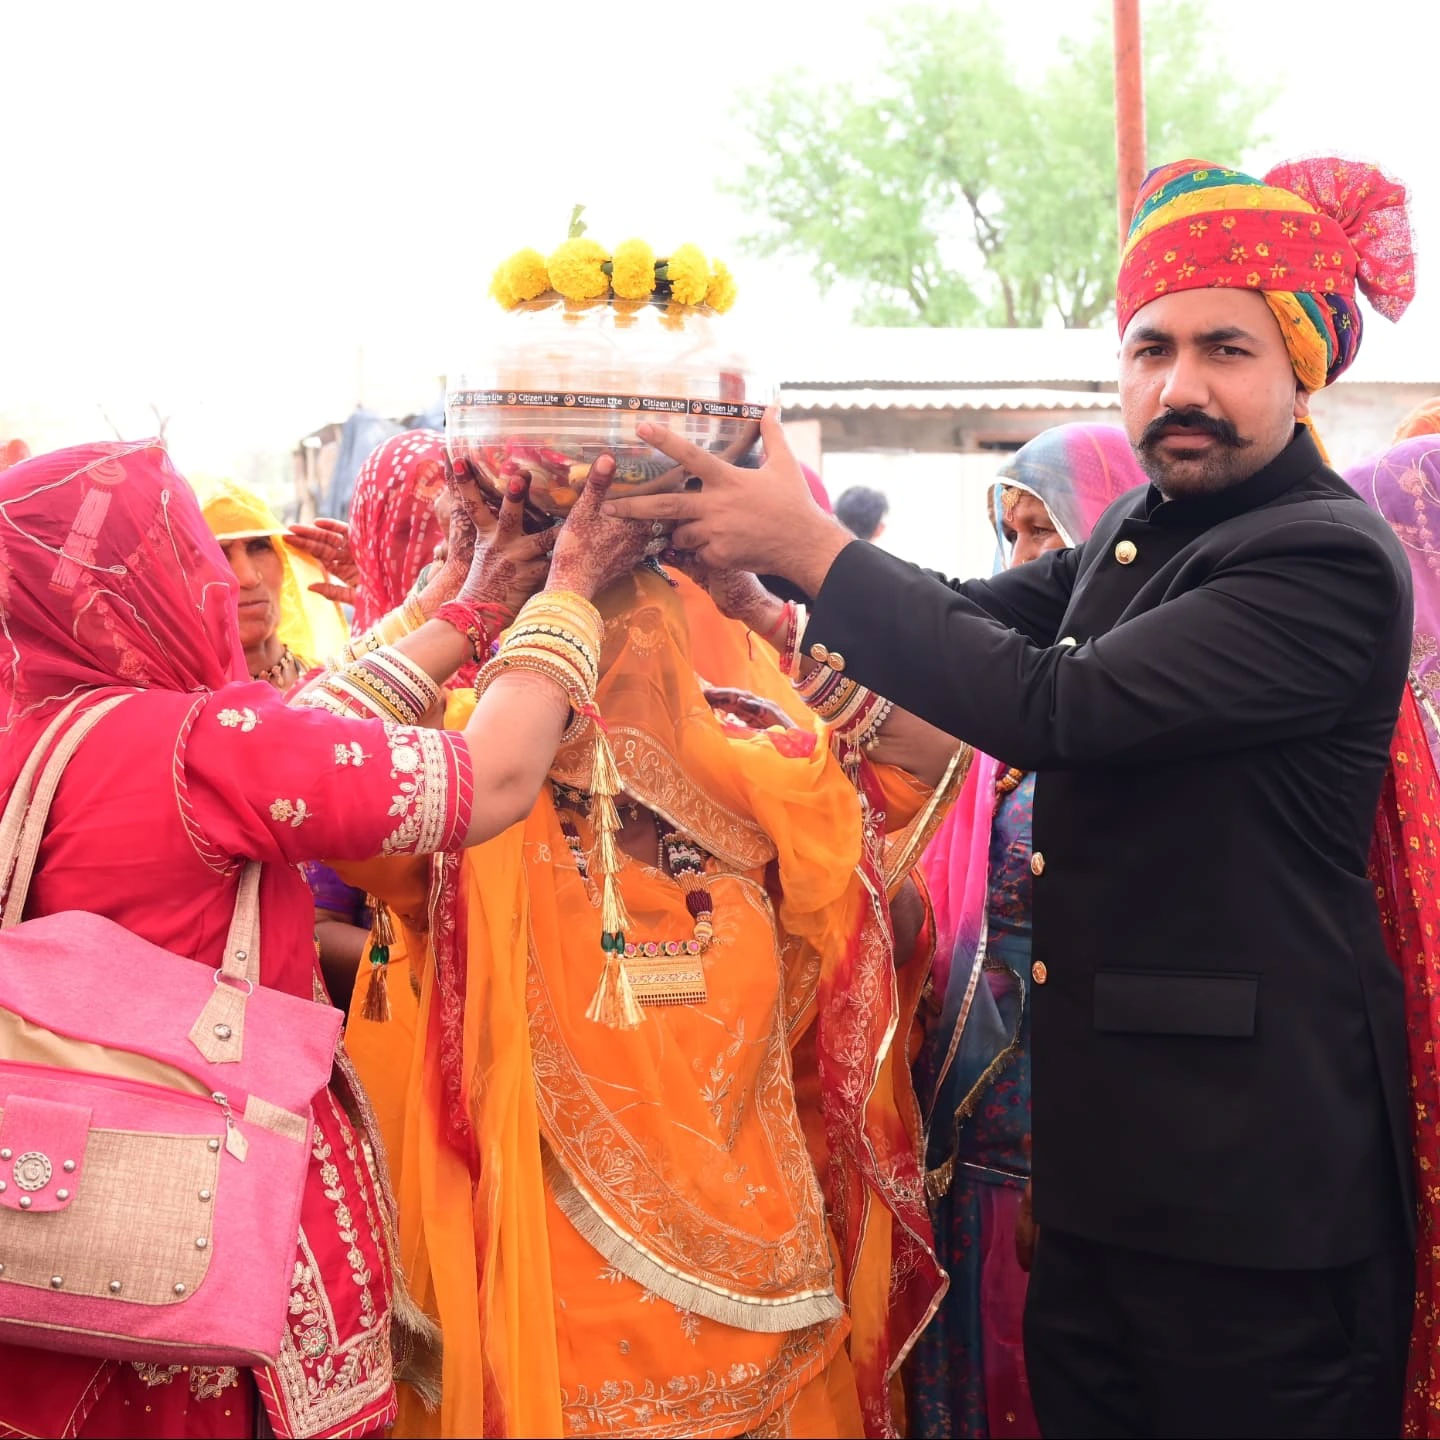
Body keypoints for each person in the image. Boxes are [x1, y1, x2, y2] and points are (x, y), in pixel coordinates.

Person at [608, 156, 1420, 1437]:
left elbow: (1053, 706)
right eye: (1151, 348)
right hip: (1111, 1183)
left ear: (1303, 369)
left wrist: (815, 548)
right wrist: (770, 592)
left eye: (1226, 349)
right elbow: (965, 620)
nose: (1181, 386)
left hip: (1258, 1199)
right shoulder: (1145, 533)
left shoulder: (1318, 557)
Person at [0, 437, 650, 1438]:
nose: (218, 582)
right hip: (201, 1258)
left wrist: (462, 615)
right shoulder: (197, 743)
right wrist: (569, 592)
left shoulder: (35, 733)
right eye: (195, 557)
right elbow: (496, 777)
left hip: (56, 1254)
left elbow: (300, 733)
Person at [337, 549, 966, 1439]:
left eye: (634, 625)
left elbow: (935, 751)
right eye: (575, 637)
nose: (609, 668)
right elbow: (319, 772)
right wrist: (452, 604)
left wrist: (762, 605)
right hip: (552, 1321)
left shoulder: (749, 786)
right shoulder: (470, 806)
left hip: (772, 1305)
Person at [908, 424, 1146, 1440]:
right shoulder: (1007, 717)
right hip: (966, 1150)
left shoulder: (1135, 727)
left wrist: (1078, 1163)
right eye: (1008, 535)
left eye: (1045, 534)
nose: (1023, 567)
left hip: (1072, 1169)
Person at [199, 476, 349, 690]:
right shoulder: (187, 710)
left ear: (284, 563)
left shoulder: (337, 682)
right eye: (219, 554)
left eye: (259, 546)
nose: (248, 578)